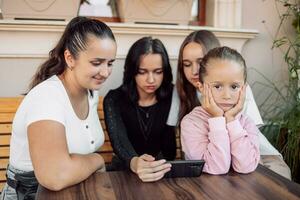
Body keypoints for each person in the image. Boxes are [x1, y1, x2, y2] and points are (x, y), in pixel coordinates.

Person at [0, 16, 117, 200]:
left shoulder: (90, 93)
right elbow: (54, 176)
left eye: (110, 63)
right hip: (31, 194)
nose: (105, 72)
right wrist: (97, 160)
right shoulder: (46, 97)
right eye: (96, 63)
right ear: (70, 58)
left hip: (74, 191)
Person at [168, 30, 291, 179]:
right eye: (187, 64)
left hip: (258, 154)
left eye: (200, 63)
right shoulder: (182, 94)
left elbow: (250, 150)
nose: (194, 71)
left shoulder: (239, 92)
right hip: (218, 160)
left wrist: (227, 120)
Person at [103, 37, 176, 182]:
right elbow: (120, 144)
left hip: (161, 172)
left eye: (158, 71)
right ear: (132, 71)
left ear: (165, 72)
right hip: (124, 173)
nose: (151, 80)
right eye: (142, 72)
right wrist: (136, 162)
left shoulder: (173, 96)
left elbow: (170, 151)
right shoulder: (114, 99)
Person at [181, 46, 260, 174]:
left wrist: (231, 121)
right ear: (200, 87)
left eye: (234, 86)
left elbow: (246, 167)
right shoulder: (191, 123)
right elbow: (216, 168)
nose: (227, 95)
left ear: (244, 89)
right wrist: (217, 119)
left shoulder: (246, 123)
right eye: (217, 86)